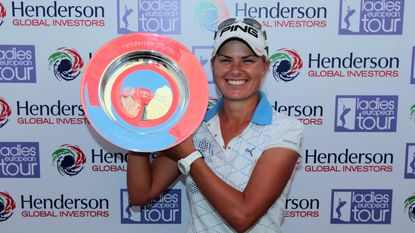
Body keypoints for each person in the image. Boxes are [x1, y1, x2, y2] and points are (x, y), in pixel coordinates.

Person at [127, 17, 304, 233]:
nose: (235, 70)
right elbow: (141, 194)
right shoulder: (193, 124)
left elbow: (243, 216)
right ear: (213, 65)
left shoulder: (284, 129)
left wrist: (191, 157)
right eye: (226, 60)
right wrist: (134, 126)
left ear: (264, 67)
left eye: (247, 60)